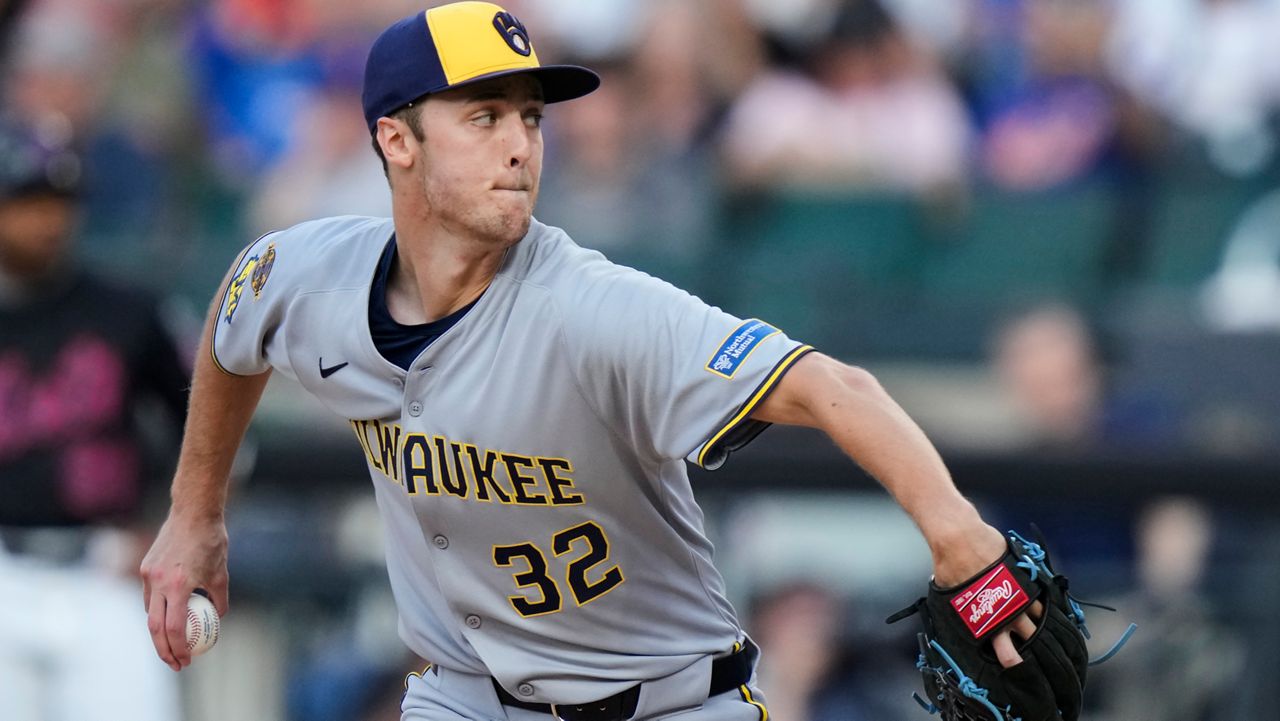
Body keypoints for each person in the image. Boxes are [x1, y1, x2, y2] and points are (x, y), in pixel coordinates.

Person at [140, 3, 1041, 720]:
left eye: (530, 118)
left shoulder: (595, 309)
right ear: (396, 140)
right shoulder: (311, 272)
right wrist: (194, 514)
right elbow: (234, 319)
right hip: (463, 696)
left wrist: (962, 541)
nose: (520, 144)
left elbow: (834, 386)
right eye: (484, 116)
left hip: (667, 701)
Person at [0, 113, 189, 721]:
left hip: (102, 571)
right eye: (29, 201)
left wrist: (176, 530)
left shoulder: (127, 312)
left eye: (61, 201)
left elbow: (213, 428)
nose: (49, 220)